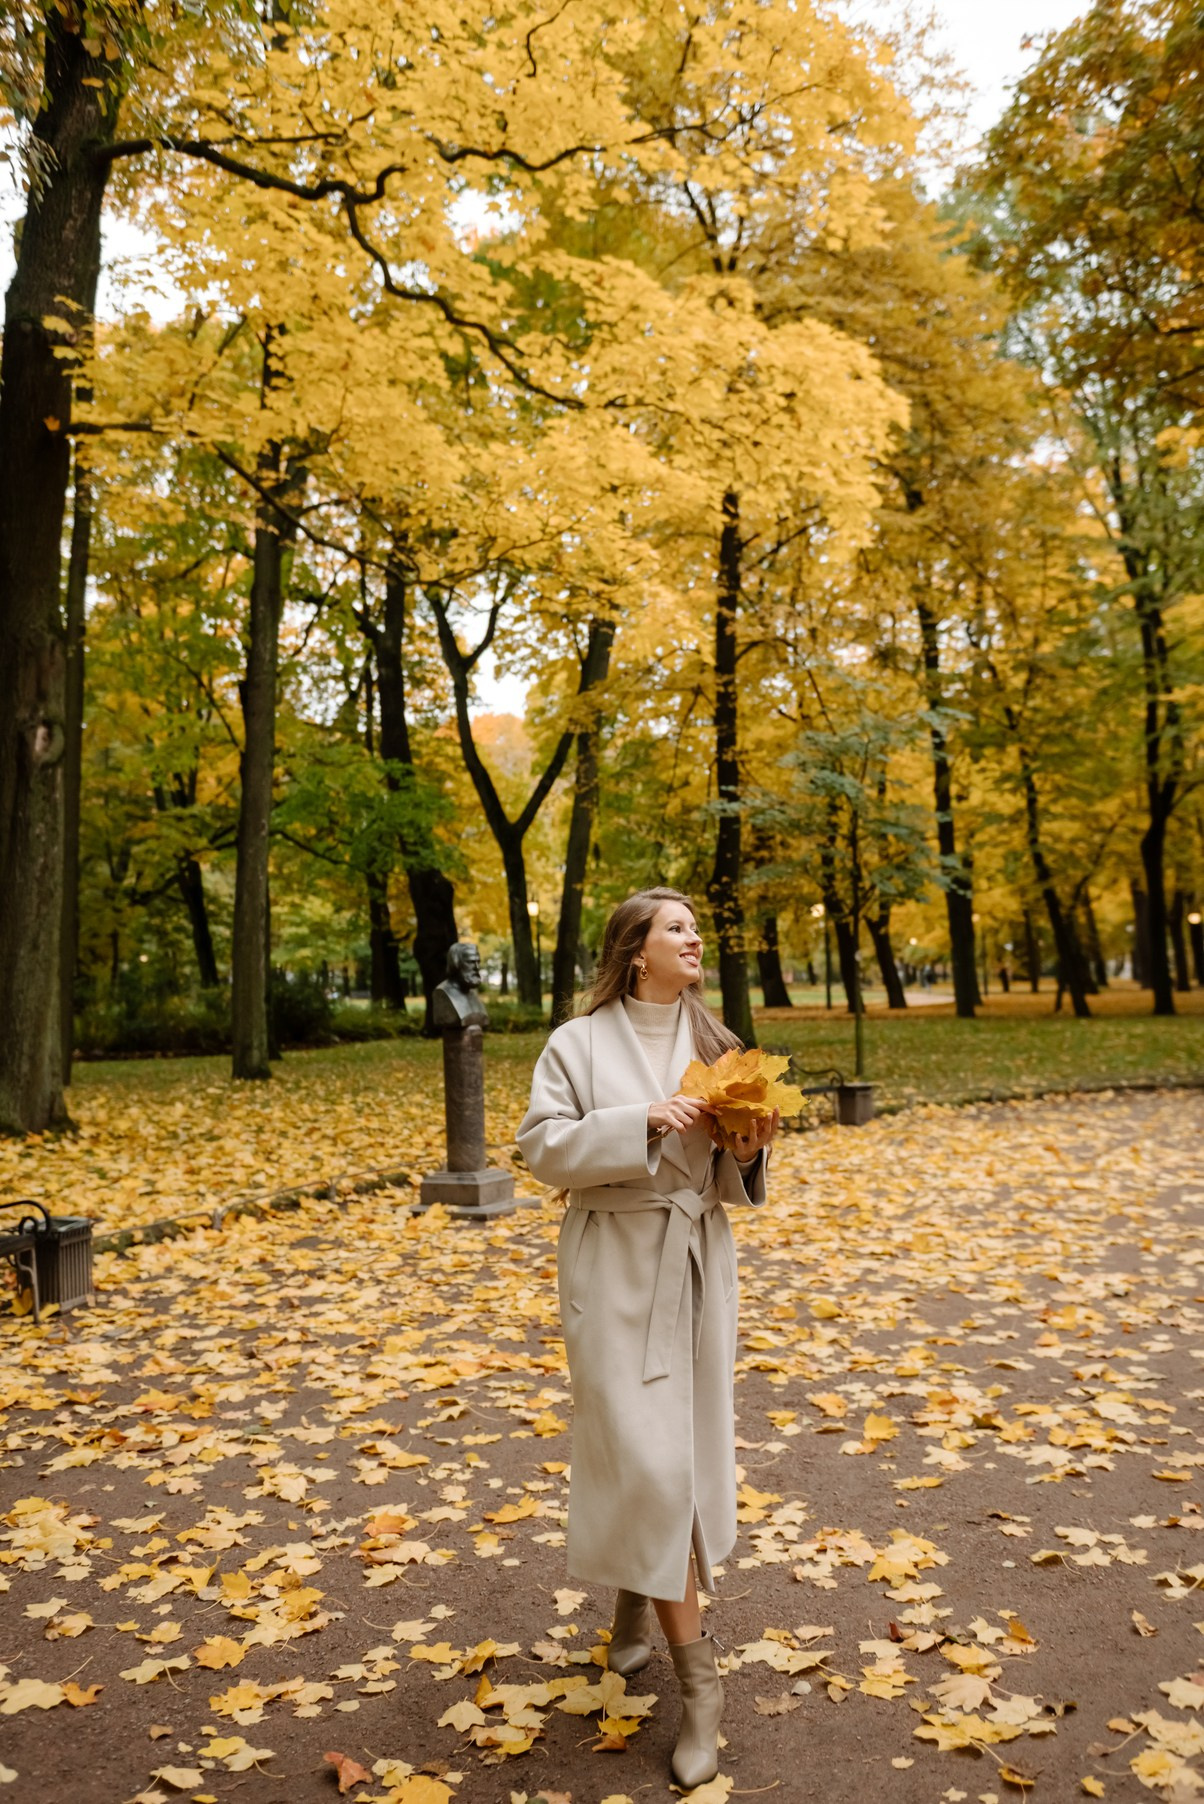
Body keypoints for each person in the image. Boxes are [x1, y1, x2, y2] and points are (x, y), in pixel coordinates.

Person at [516, 887, 778, 1788]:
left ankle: (636, 1607)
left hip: (696, 1264)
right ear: (636, 950)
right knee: (646, 1458)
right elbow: (539, 1148)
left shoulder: (720, 1042)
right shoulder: (576, 1044)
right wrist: (637, 1123)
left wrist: (748, 1148)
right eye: (676, 928)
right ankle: (701, 1688)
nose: (694, 937)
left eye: (695, 926)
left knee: (674, 1460)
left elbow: (740, 1173)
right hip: (609, 1269)